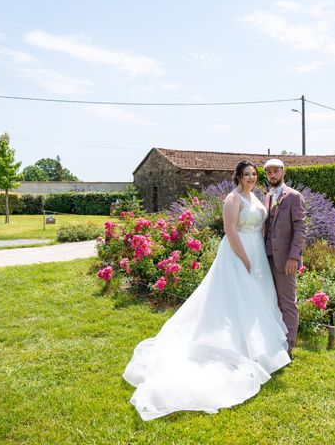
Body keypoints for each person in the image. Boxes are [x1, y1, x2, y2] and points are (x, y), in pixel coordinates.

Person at [123, 160, 291, 420]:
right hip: (239, 254)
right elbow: (230, 230)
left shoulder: (257, 197)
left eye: (254, 174)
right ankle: (235, 345)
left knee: (256, 300)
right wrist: (244, 258)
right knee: (236, 300)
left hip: (258, 252)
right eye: (246, 174)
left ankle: (255, 343)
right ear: (237, 176)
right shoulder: (232, 199)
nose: (251, 178)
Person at [263, 159, 306, 357]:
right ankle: (274, 342)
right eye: (269, 172)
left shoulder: (294, 197)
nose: (272, 175)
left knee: (288, 302)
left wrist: (294, 258)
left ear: (283, 172)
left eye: (275, 171)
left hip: (286, 259)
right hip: (266, 257)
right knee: (272, 302)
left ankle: (287, 349)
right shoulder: (266, 197)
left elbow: (300, 229)